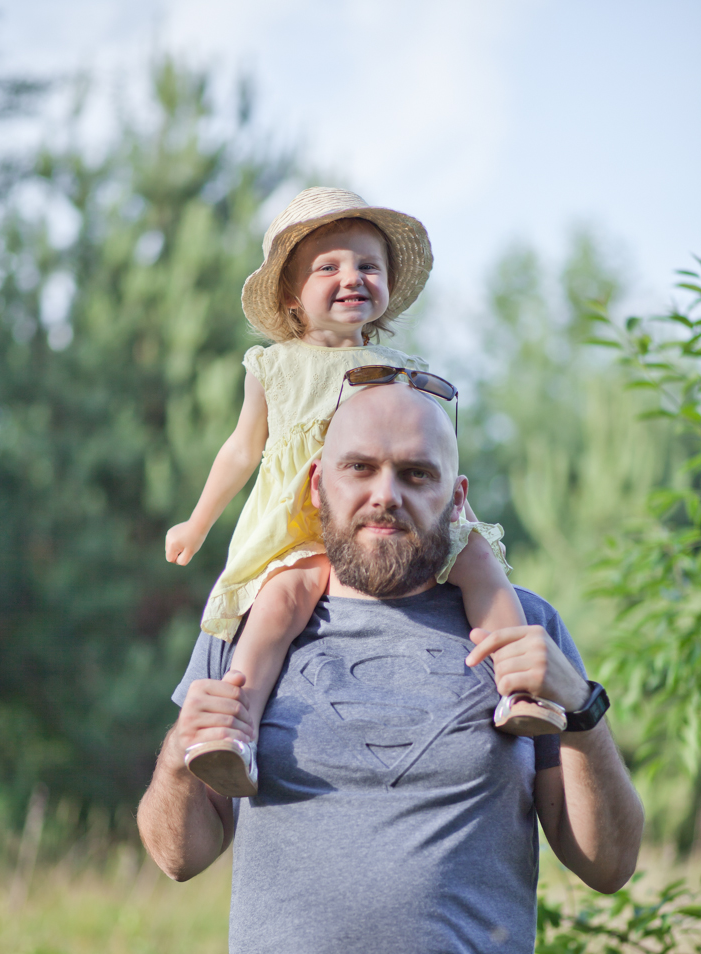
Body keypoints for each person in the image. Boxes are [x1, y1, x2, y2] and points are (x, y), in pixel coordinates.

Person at [138, 377, 644, 954]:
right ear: (316, 483)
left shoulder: (524, 627)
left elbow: (608, 864)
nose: (386, 495)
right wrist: (178, 752)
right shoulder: (246, 632)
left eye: (416, 475)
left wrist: (581, 709)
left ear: (457, 496)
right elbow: (178, 855)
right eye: (361, 469)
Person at [164, 187, 558, 798]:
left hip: (390, 517)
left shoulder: (400, 367)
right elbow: (242, 450)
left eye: (367, 266)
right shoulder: (275, 366)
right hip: (305, 526)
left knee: (479, 562)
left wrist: (464, 521)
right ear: (293, 296)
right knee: (278, 603)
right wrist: (197, 523)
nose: (352, 278)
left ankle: (521, 689)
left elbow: (427, 454)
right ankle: (233, 732)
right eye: (329, 266)